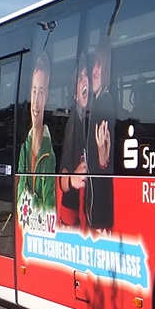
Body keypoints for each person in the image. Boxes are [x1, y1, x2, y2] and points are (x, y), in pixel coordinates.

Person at [17, 52, 57, 213]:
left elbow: (48, 209)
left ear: (46, 96)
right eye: (34, 91)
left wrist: (30, 201)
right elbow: (20, 201)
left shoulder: (50, 156)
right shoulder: (24, 149)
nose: (36, 100)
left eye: (41, 92)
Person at [85, 36, 115, 231]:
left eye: (100, 65)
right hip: (98, 201)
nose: (94, 71)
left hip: (99, 203)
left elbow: (103, 160)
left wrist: (103, 162)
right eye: (93, 65)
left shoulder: (104, 104)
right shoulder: (100, 103)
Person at [57, 52, 90, 227]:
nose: (85, 80)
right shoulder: (74, 123)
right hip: (71, 215)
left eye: (87, 76)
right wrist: (72, 179)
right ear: (75, 96)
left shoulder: (89, 119)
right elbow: (63, 175)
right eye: (80, 77)